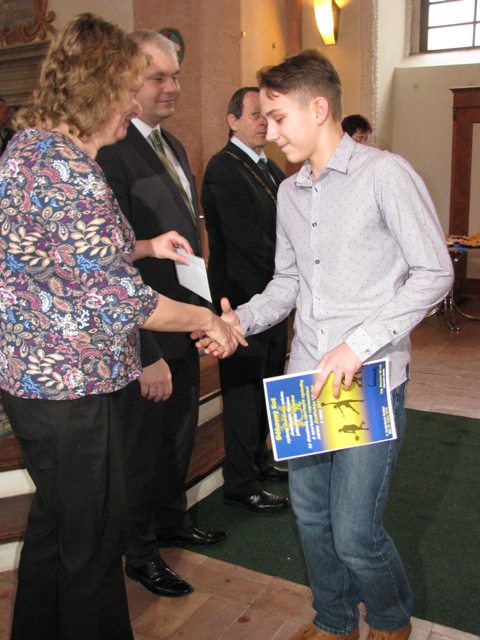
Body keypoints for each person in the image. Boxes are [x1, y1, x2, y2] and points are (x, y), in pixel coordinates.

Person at [0, 14, 243, 640]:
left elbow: (61, 257)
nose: (133, 106)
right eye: (128, 90)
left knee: (57, 530)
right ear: (98, 91)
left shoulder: (31, 148)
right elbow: (118, 301)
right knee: (93, 545)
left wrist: (144, 246)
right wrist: (206, 319)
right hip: (69, 386)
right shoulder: (68, 168)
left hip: (41, 382)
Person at [208, 50, 454, 640]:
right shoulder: (290, 192)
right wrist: (239, 321)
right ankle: (334, 620)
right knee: (312, 517)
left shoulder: (384, 174)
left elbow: (435, 271)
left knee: (355, 532)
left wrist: (357, 344)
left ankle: (390, 622)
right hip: (306, 378)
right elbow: (288, 283)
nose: (269, 130)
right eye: (264, 118)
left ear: (318, 109)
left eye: (278, 116)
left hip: (366, 377)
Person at [96, 29, 226, 600]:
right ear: (128, 79)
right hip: (145, 330)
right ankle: (141, 553)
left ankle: (172, 521)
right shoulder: (110, 150)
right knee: (143, 450)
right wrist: (143, 352)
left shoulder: (169, 143)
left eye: (175, 76)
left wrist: (203, 311)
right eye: (158, 78)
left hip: (184, 318)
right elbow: (109, 265)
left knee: (177, 435)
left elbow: (185, 239)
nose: (172, 87)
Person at [201, 87, 290, 512]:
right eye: (254, 114)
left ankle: (259, 460)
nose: (263, 122)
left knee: (269, 380)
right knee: (242, 392)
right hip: (237, 298)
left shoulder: (271, 167)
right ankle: (240, 481)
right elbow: (245, 239)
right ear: (232, 120)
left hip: (273, 294)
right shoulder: (223, 168)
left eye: (267, 115)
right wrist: (294, 266)